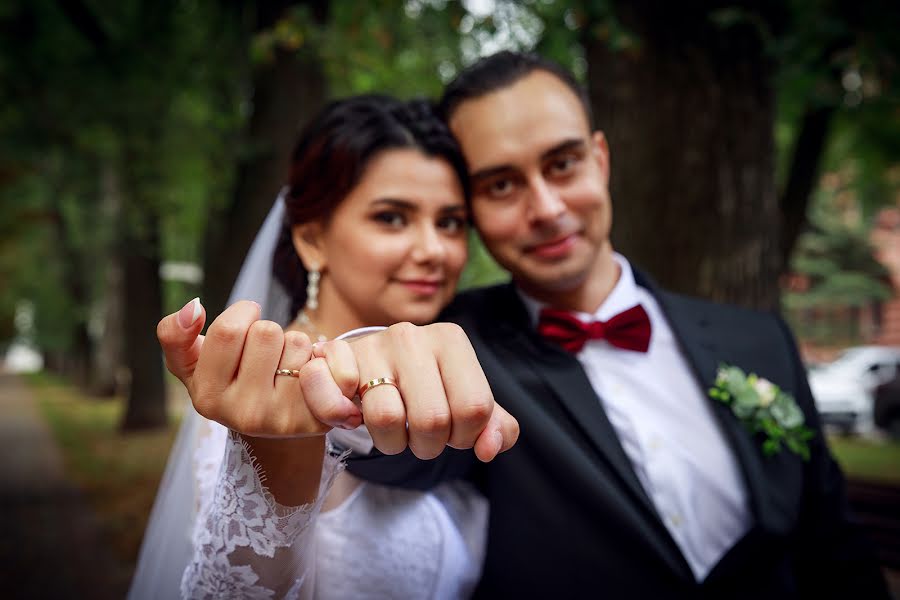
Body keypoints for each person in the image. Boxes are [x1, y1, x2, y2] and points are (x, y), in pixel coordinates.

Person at [342, 52, 891, 598]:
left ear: (600, 160)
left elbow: (835, 550)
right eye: (502, 185)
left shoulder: (757, 340)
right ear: (471, 207)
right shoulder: (460, 344)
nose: (547, 208)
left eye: (563, 164)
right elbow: (383, 450)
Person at [129, 95, 518, 599]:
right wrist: (276, 452)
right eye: (392, 218)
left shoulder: (464, 368)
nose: (433, 251)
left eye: (449, 222)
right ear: (312, 239)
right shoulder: (260, 394)